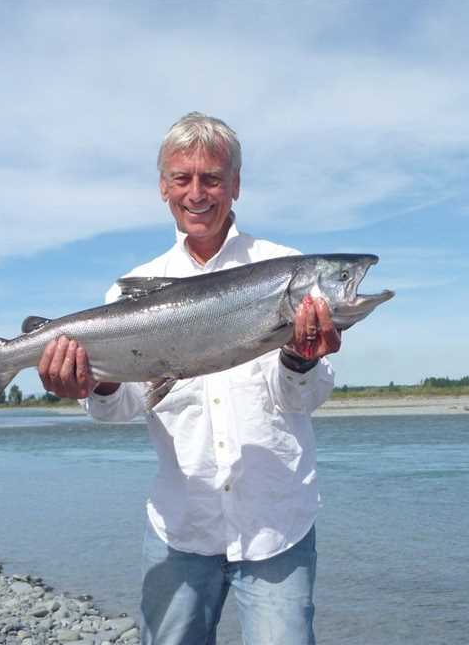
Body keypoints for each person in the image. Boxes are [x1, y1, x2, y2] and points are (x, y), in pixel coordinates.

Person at [38, 112, 341, 645]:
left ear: (236, 185)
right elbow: (123, 406)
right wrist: (96, 384)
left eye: (212, 178)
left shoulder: (286, 268)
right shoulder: (130, 292)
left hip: (276, 526)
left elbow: (306, 398)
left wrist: (301, 360)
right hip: (181, 528)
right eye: (183, 178)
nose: (197, 193)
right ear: (163, 187)